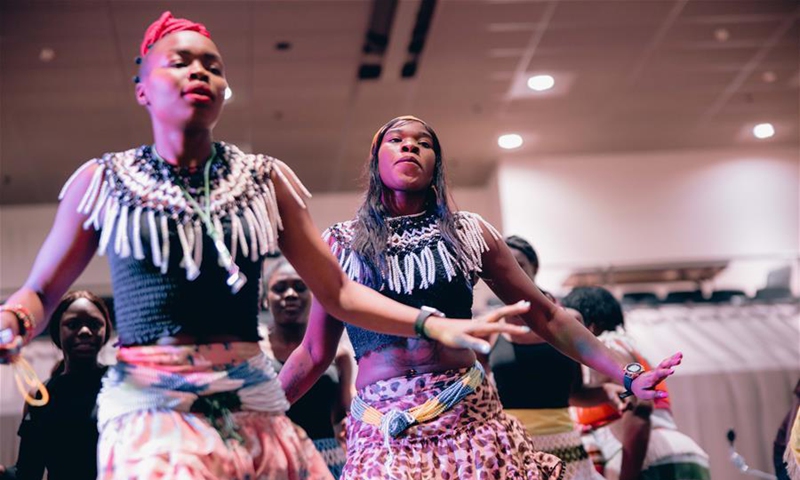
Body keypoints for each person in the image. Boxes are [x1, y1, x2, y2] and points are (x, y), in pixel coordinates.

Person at [0, 13, 532, 480]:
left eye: (212, 66)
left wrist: (430, 324)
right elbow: (41, 291)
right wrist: (16, 320)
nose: (199, 73)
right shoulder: (103, 181)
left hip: (251, 395)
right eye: (180, 62)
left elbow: (339, 292)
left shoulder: (263, 180)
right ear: (142, 88)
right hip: (153, 401)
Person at [277, 115, 683, 480]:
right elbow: (313, 352)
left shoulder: (469, 232)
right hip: (381, 427)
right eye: (396, 140)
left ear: (436, 165)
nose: (410, 146)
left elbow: (546, 315)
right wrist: (261, 410)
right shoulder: (341, 243)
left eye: (423, 143)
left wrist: (627, 373)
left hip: (467, 419)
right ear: (375, 161)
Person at [488, 236, 606, 480]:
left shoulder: (569, 319)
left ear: (535, 268)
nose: (509, 270)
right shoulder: (490, 326)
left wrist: (612, 391)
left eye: (519, 264)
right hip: (513, 447)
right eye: (501, 264)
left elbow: (576, 392)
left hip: (564, 443)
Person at [563, 286, 710, 480]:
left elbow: (641, 407)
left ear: (590, 326)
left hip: (644, 458)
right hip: (678, 453)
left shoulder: (607, 349)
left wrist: (626, 476)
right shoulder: (632, 348)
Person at [0, 291, 112, 480]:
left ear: (106, 331)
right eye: (73, 325)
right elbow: (28, 472)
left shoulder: (121, 385)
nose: (85, 331)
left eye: (94, 324)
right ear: (57, 332)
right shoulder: (41, 397)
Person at [261, 257, 354, 478]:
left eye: (300, 287)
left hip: (328, 460)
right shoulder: (255, 353)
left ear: (313, 295)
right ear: (265, 300)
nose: (290, 294)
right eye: (279, 288)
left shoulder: (337, 354)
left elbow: (345, 410)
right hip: (276, 458)